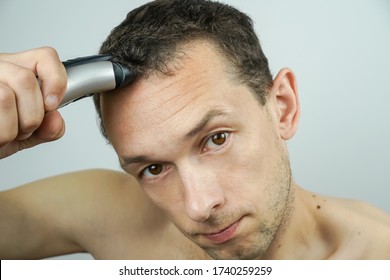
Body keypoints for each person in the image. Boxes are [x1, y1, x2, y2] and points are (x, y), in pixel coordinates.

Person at [0, 0, 389, 260]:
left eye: (216, 139)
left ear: (282, 107)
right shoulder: (110, 215)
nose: (199, 207)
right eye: (153, 169)